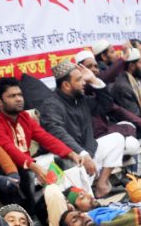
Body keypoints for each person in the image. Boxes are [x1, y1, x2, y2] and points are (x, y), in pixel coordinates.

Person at [0, 77, 84, 220]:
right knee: (26, 173)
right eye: (12, 96)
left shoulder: (23, 117)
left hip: (28, 163)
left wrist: (72, 153)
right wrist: (33, 166)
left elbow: (45, 137)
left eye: (19, 95)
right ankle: (32, 217)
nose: (19, 99)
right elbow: (8, 148)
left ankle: (73, 206)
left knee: (66, 161)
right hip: (6, 169)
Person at [37, 60, 129, 198]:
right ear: (66, 85)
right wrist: (82, 154)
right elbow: (57, 133)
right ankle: (88, 200)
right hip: (69, 158)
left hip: (87, 152)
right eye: (79, 79)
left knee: (117, 139)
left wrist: (94, 80)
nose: (84, 82)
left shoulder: (80, 99)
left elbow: (106, 105)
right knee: (81, 183)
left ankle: (102, 185)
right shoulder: (51, 105)